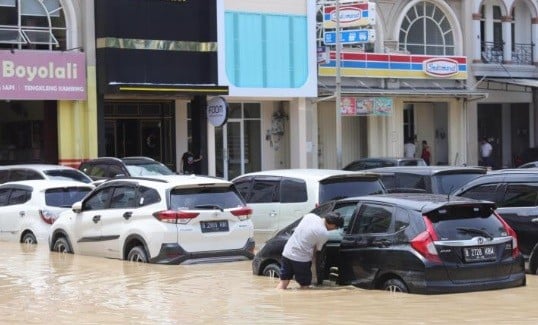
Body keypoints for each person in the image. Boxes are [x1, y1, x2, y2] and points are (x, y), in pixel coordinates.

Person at [276, 212, 344, 290]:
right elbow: (316, 252)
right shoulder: (323, 234)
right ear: (332, 224)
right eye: (336, 227)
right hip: (301, 259)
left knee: (283, 282)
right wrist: (314, 273)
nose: (334, 229)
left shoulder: (310, 216)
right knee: (305, 286)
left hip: (287, 253)